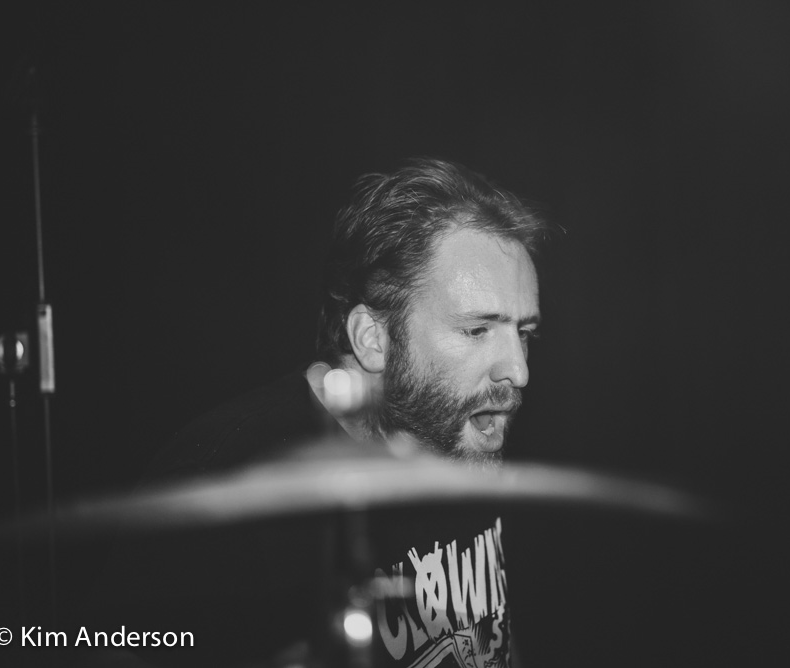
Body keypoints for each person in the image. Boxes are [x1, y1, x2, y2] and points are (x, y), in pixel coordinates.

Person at [91, 158, 549, 668]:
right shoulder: (221, 490)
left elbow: (493, 639)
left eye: (524, 333)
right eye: (477, 330)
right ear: (372, 339)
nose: (518, 371)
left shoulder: (461, 436)